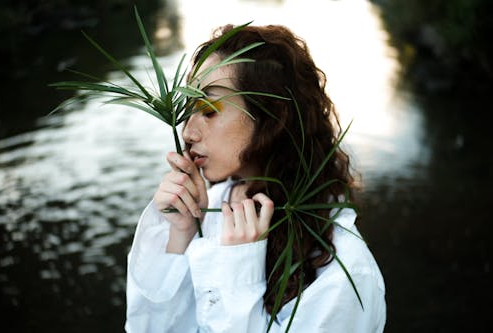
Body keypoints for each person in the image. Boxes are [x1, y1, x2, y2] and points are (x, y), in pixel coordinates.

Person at [125, 24, 386, 332]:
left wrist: (240, 271)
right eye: (188, 109)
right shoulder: (214, 206)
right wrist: (180, 236)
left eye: (208, 109)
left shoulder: (344, 272)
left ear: (272, 117)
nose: (188, 132)